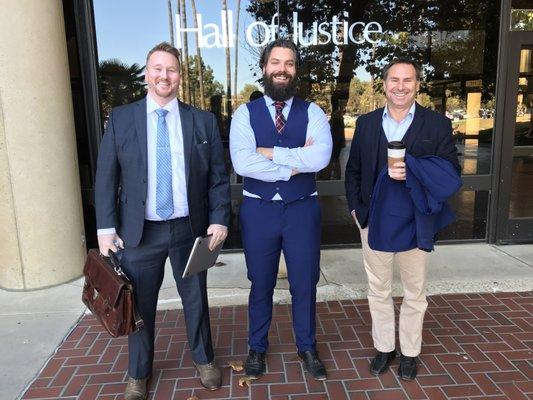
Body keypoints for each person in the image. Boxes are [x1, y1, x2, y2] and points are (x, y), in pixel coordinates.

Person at [95, 42, 230, 399]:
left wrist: (219, 219)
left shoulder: (202, 120)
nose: (164, 76)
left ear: (180, 77)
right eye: (157, 68)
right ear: (146, 73)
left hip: (190, 229)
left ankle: (204, 359)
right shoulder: (122, 118)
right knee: (139, 305)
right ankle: (138, 374)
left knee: (196, 299)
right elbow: (106, 176)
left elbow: (218, 177)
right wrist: (106, 229)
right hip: (140, 232)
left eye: (171, 70)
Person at [345, 58, 460, 381]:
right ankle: (384, 348)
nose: (400, 86)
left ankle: (410, 352)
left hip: (416, 221)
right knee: (378, 289)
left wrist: (415, 169)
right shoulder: (366, 124)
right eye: (394, 79)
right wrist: (356, 210)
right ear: (384, 84)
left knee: (414, 293)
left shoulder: (436, 125)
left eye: (407, 80)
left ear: (417, 85)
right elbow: (353, 170)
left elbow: (451, 172)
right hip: (374, 222)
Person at [230, 38, 332, 381]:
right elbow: (243, 163)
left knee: (305, 283)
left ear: (295, 70)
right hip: (258, 211)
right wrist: (295, 163)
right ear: (264, 69)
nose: (282, 69)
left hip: (302, 210)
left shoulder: (313, 112)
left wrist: (271, 154)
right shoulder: (244, 113)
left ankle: (307, 346)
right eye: (276, 62)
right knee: (260, 283)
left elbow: (320, 158)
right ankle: (257, 347)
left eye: (289, 63)